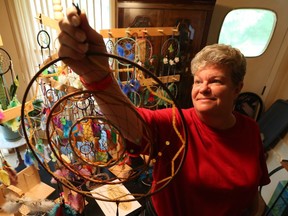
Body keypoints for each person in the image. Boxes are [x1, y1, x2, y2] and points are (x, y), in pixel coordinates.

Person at [58, 7, 270, 216]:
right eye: (198, 81)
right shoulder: (176, 124)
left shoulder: (250, 129)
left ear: (237, 88)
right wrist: (97, 76)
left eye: (215, 81)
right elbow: (131, 123)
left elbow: (252, 187)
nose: (203, 88)